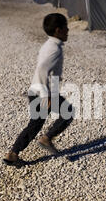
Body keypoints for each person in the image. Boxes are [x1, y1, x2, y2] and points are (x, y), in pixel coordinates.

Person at [4, 13, 73, 167]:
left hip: (39, 91)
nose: (68, 30)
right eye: (65, 28)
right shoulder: (54, 49)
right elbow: (42, 69)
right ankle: (45, 139)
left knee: (35, 124)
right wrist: (46, 96)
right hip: (42, 93)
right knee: (66, 113)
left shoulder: (50, 44)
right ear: (57, 30)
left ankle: (13, 154)